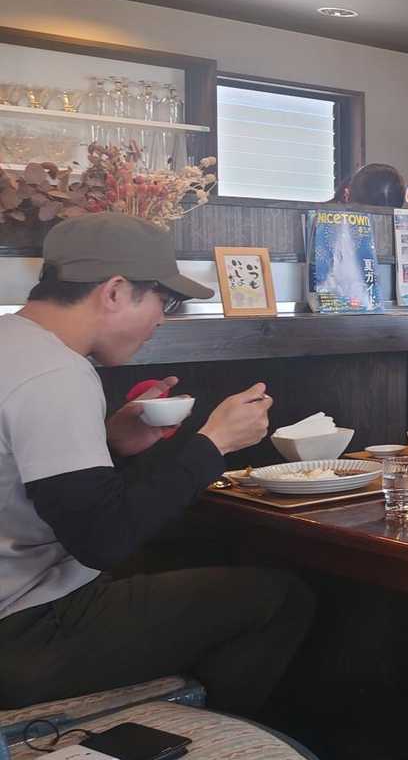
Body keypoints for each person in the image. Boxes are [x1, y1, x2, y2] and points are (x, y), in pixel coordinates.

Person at [0, 214, 314, 715]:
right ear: (115, 291)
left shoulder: (13, 343)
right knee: (279, 599)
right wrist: (214, 443)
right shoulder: (55, 373)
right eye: (162, 302)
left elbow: (33, 485)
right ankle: (215, 749)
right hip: (23, 631)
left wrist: (111, 443)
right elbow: (102, 539)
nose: (162, 320)